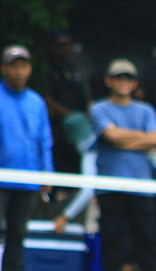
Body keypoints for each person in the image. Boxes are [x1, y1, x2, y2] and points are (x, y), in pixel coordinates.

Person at [90, 58, 156, 271]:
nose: (123, 83)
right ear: (109, 81)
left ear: (134, 83)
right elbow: (110, 136)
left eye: (128, 78)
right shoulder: (98, 109)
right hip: (110, 184)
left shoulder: (146, 110)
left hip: (141, 185)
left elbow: (155, 139)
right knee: (112, 235)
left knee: (147, 236)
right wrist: (139, 138)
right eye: (118, 78)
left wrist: (123, 138)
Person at [0, 45, 53, 271]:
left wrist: (47, 173)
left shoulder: (37, 102)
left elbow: (45, 140)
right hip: (2, 178)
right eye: (14, 66)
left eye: (24, 66)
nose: (19, 71)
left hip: (29, 180)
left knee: (18, 232)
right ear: (4, 69)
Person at [42, 30, 91, 176]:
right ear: (51, 47)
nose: (64, 48)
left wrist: (84, 118)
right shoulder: (47, 71)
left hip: (79, 126)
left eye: (68, 44)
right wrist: (70, 116)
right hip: (56, 126)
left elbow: (87, 98)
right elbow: (46, 99)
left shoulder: (77, 69)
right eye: (60, 44)